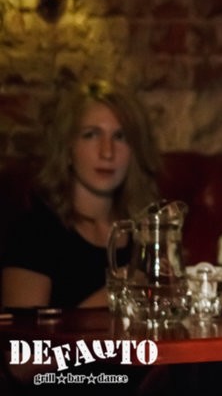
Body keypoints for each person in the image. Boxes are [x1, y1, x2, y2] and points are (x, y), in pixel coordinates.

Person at [1, 79, 161, 308]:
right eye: (91, 135)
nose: (107, 152)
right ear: (68, 148)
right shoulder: (35, 232)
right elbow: (23, 329)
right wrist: (118, 291)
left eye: (120, 137)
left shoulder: (146, 232)